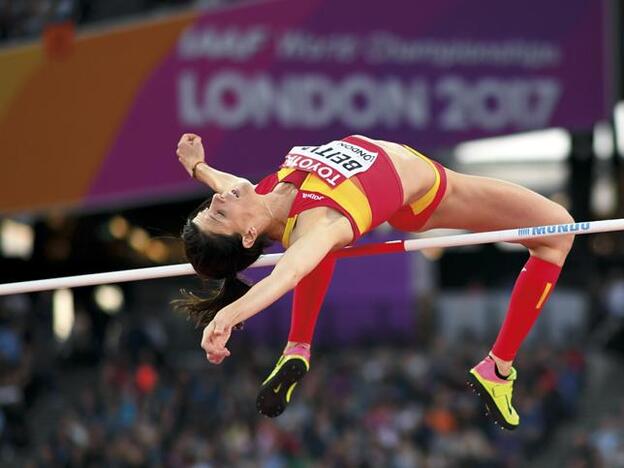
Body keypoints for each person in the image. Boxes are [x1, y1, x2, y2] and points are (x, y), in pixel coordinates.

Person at [173, 133, 574, 430]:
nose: (220, 201)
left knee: (310, 248)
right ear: (246, 237)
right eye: (219, 215)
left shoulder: (260, 198)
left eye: (212, 207)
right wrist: (225, 317)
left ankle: (298, 348)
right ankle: (498, 368)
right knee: (559, 232)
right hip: (430, 192)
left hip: (384, 187)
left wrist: (198, 167)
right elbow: (289, 273)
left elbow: (225, 187)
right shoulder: (320, 223)